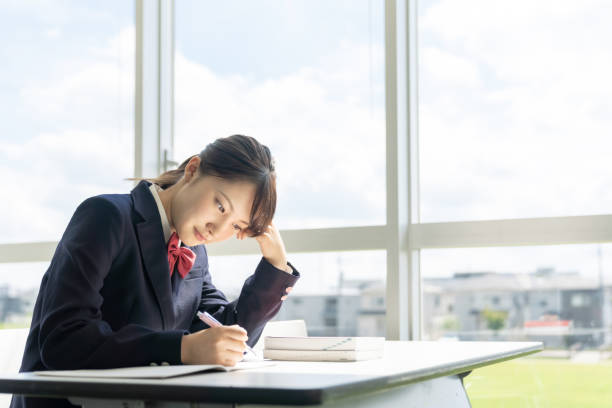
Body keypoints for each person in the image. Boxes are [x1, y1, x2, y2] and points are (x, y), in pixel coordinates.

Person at [11, 135, 299, 408]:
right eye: (220, 206)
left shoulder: (194, 251)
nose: (218, 230)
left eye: (236, 226)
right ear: (193, 169)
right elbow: (64, 339)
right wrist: (181, 349)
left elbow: (224, 335)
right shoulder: (106, 216)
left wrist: (275, 267)